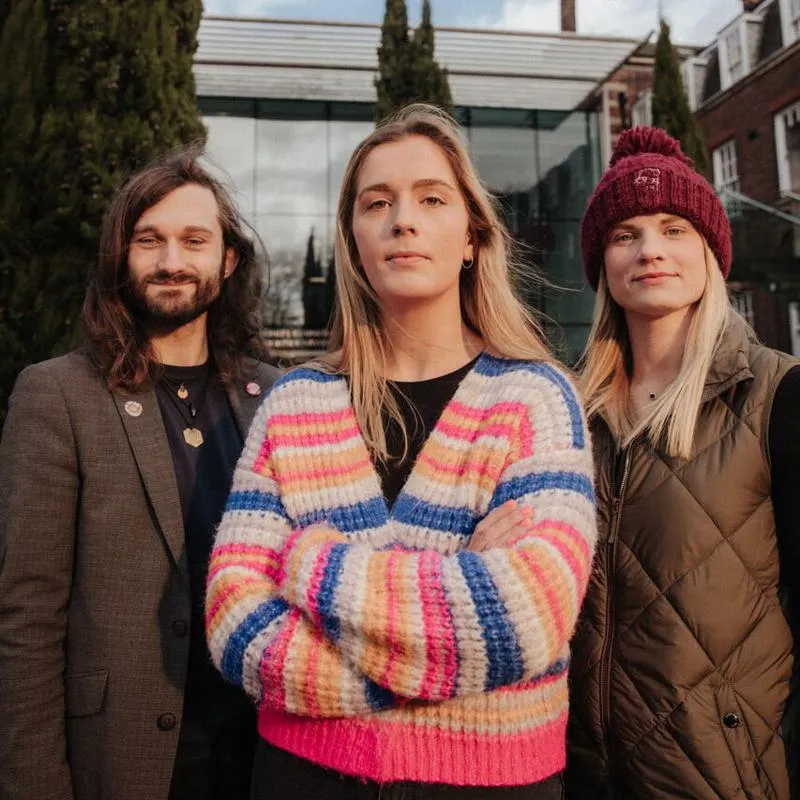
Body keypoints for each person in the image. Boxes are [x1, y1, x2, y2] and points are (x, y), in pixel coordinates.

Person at [205, 104, 597, 799]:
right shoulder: (295, 402)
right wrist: (456, 597)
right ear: (354, 238)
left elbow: (529, 613)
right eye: (376, 202)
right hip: (304, 777)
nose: (402, 220)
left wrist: (306, 563)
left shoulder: (536, 398)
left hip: (491, 784)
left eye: (432, 198)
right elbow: (235, 619)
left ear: (473, 236)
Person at [0, 148, 280, 800]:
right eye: (149, 240)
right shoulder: (57, 395)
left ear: (227, 259)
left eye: (193, 240)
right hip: (125, 760)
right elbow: (25, 620)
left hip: (262, 756)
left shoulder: (274, 395)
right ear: (121, 257)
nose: (172, 261)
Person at [567, 126, 800, 799]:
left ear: (709, 250)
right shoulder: (564, 415)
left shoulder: (776, 395)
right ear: (602, 263)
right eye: (625, 234)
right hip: (573, 780)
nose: (650, 251)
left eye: (673, 228)